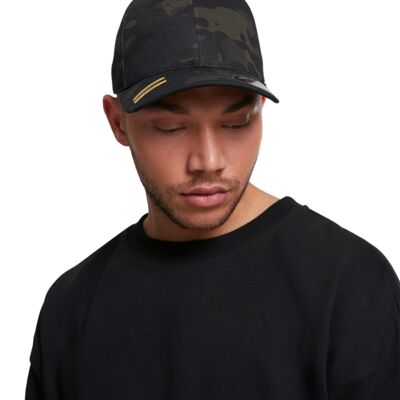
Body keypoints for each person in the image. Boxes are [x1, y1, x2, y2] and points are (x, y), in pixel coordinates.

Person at [25, 0, 400, 399]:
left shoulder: (350, 286)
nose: (208, 161)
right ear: (118, 122)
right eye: (171, 127)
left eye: (236, 123)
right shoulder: (71, 309)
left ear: (260, 111)